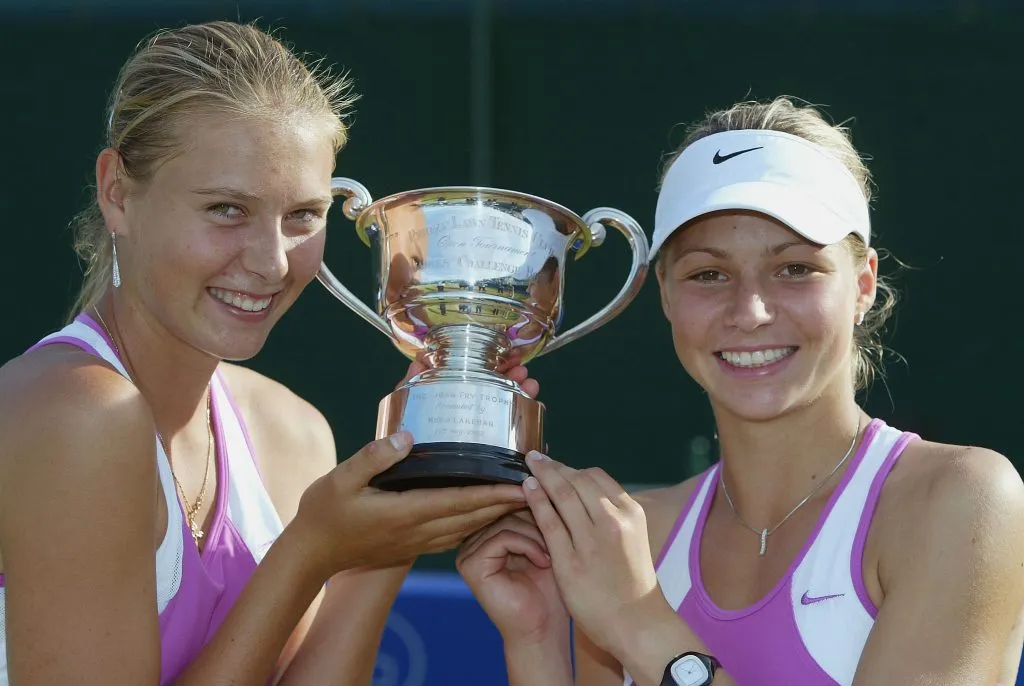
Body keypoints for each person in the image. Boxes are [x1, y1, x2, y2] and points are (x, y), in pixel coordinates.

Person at [0, 21, 537, 685]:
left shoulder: (291, 433)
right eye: (227, 209)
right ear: (117, 193)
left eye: (302, 216)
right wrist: (309, 553)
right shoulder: (74, 414)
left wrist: (393, 529)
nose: (272, 261)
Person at [456, 97, 1024, 685]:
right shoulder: (633, 538)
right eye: (709, 274)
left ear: (862, 285)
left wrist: (638, 620)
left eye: (795, 269)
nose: (750, 312)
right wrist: (539, 638)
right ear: (668, 298)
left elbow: (637, 622)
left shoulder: (965, 500)